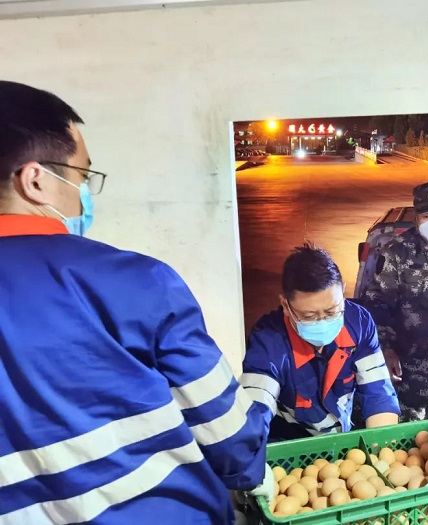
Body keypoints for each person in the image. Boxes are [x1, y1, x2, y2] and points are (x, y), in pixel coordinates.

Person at [0, 81, 271, 525]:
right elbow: (230, 435)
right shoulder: (135, 284)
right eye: (81, 176)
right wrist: (252, 468)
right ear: (35, 180)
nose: (85, 194)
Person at [241, 243, 400, 441]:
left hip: (339, 439)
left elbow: (378, 392)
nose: (323, 322)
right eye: (310, 316)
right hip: (287, 444)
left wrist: (382, 446)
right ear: (286, 305)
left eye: (332, 311)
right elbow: (255, 409)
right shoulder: (269, 340)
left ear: (343, 291)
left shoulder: (358, 323)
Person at [361, 181, 428, 421]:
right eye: (427, 216)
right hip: (412, 374)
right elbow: (378, 304)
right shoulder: (396, 252)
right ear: (416, 218)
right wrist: (385, 349)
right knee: (412, 439)